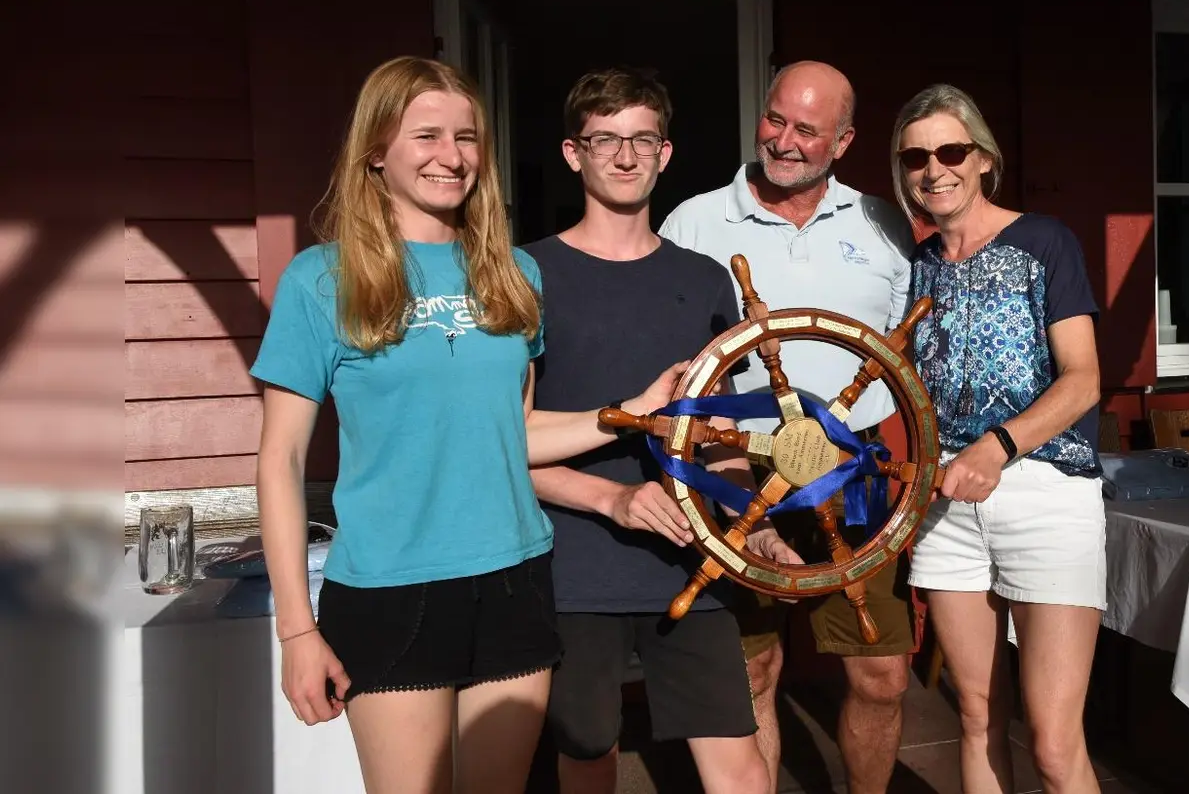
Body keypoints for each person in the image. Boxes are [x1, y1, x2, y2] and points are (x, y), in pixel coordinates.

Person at [251, 56, 682, 794]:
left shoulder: (513, 273)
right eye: (426, 136)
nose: (451, 157)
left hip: (515, 581)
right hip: (390, 589)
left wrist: (628, 415)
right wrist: (297, 629)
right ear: (376, 150)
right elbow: (280, 461)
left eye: (467, 136)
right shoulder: (321, 279)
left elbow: (516, 433)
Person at [658, 60, 917, 794]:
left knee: (881, 675)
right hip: (737, 473)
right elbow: (673, 365)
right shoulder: (694, 222)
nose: (785, 140)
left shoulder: (883, 225)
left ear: (844, 141)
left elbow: (905, 354)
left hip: (857, 475)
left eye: (808, 128)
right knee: (752, 670)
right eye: (776, 119)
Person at [519, 68, 776, 794]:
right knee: (587, 754)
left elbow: (720, 433)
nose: (625, 156)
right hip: (573, 567)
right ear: (573, 153)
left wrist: (753, 524)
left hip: (690, 560)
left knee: (738, 761)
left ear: (665, 153)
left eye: (642, 139)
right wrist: (613, 500)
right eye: (605, 139)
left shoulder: (705, 279)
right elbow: (506, 440)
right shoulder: (525, 273)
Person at [891, 83, 1105, 794]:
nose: (934, 169)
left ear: (983, 158)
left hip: (1045, 490)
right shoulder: (919, 266)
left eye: (951, 151)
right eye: (916, 157)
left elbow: (1083, 379)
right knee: (978, 714)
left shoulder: (1044, 242)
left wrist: (999, 447)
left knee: (1053, 742)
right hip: (947, 504)